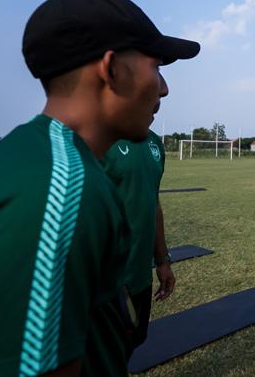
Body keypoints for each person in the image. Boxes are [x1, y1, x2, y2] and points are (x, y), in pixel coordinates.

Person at [0, 0, 199, 376]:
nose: (164, 88)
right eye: (156, 67)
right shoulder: (60, 191)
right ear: (111, 69)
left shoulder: (38, 158)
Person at [102, 129, 175, 355]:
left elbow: (154, 202)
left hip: (140, 277)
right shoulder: (97, 137)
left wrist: (162, 260)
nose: (155, 113)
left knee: (130, 346)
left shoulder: (154, 143)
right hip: (106, 286)